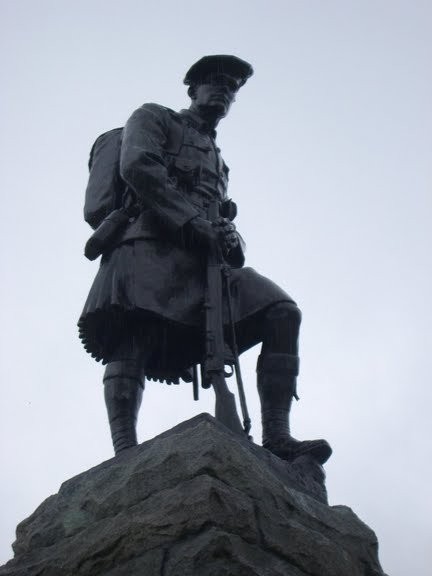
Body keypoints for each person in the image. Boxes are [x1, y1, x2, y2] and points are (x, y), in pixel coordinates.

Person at [78, 55, 331, 464]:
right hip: (149, 243)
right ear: (192, 90)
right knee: (133, 338)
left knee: (282, 312)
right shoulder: (155, 117)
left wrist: (231, 237)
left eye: (230, 87)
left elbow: (220, 211)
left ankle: (278, 436)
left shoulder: (219, 158)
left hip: (205, 260)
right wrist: (194, 221)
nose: (222, 90)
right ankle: (125, 450)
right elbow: (138, 166)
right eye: (213, 82)